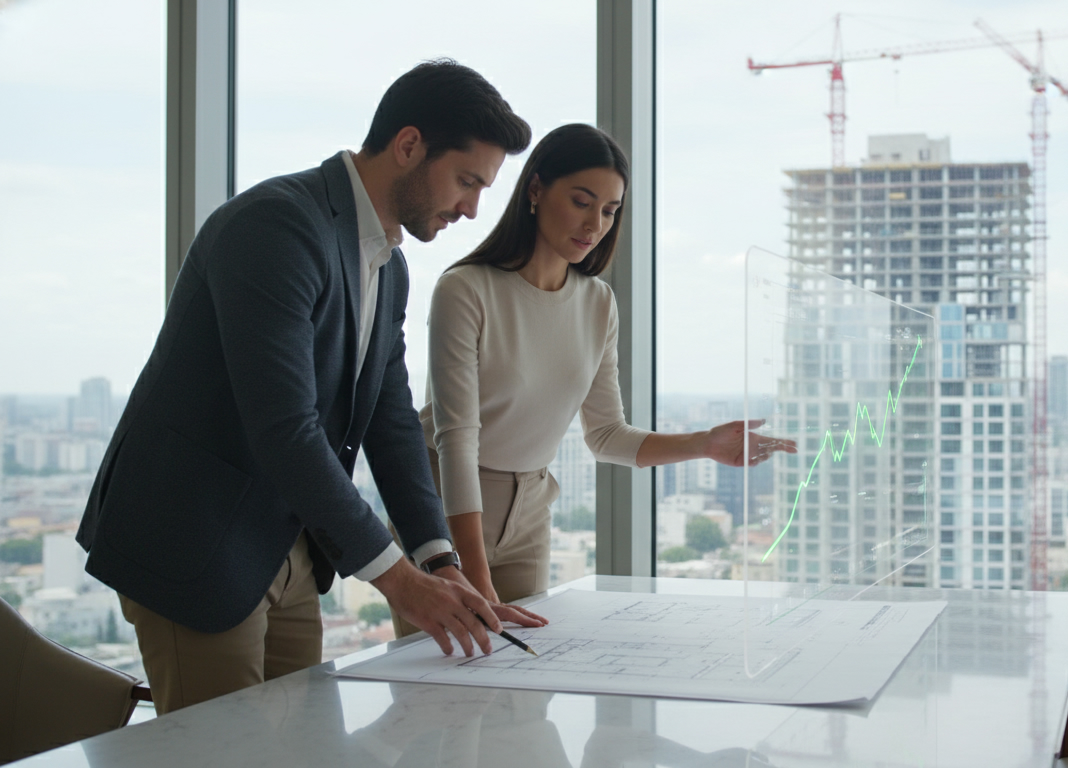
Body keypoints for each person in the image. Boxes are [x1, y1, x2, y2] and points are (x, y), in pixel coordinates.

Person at [76, 59, 545, 715]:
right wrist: (400, 583)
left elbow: (391, 421)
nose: (472, 208)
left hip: (289, 543)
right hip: (196, 541)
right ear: (408, 146)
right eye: (467, 181)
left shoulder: (389, 264)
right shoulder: (275, 227)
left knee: (302, 746)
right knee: (223, 756)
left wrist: (442, 564)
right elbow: (284, 428)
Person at [392, 124, 795, 635]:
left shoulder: (598, 303)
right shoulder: (465, 289)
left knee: (525, 701)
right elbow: (457, 441)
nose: (595, 224)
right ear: (535, 191)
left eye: (609, 210)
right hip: (446, 508)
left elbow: (605, 435)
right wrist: (472, 576)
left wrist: (706, 444)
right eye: (582, 201)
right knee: (438, 687)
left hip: (531, 510)